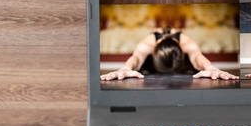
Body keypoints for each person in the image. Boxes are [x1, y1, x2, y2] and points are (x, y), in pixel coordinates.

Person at [100, 28, 236, 82]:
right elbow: (137, 58)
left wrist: (210, 68)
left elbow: (196, 57)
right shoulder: (148, 43)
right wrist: (126, 68)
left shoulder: (186, 42)